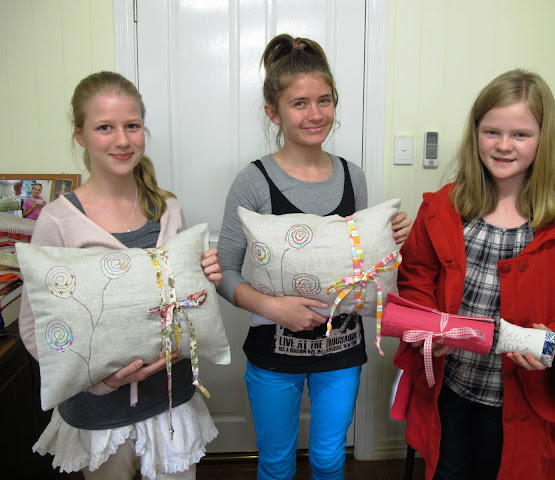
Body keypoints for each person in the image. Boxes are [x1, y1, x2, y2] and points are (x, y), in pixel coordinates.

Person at [390, 69, 555, 480]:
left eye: (520, 134)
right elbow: (416, 278)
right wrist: (426, 331)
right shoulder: (443, 209)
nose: (504, 145)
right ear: (475, 134)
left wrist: (554, 341)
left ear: (543, 139)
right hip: (451, 389)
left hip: (518, 403)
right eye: (492, 132)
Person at [211, 34, 411, 480]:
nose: (315, 114)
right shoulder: (253, 181)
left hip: (341, 351)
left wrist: (393, 238)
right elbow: (223, 271)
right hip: (273, 353)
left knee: (328, 459)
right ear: (274, 112)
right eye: (299, 103)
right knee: (276, 462)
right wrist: (272, 308)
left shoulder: (352, 176)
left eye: (324, 100)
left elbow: (359, 260)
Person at [18, 71, 222, 480]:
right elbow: (33, 327)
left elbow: (181, 300)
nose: (123, 140)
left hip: (171, 401)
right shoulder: (59, 221)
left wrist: (204, 281)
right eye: (105, 128)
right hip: (98, 413)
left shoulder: (168, 209)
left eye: (132, 125)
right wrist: (100, 380)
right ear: (80, 135)